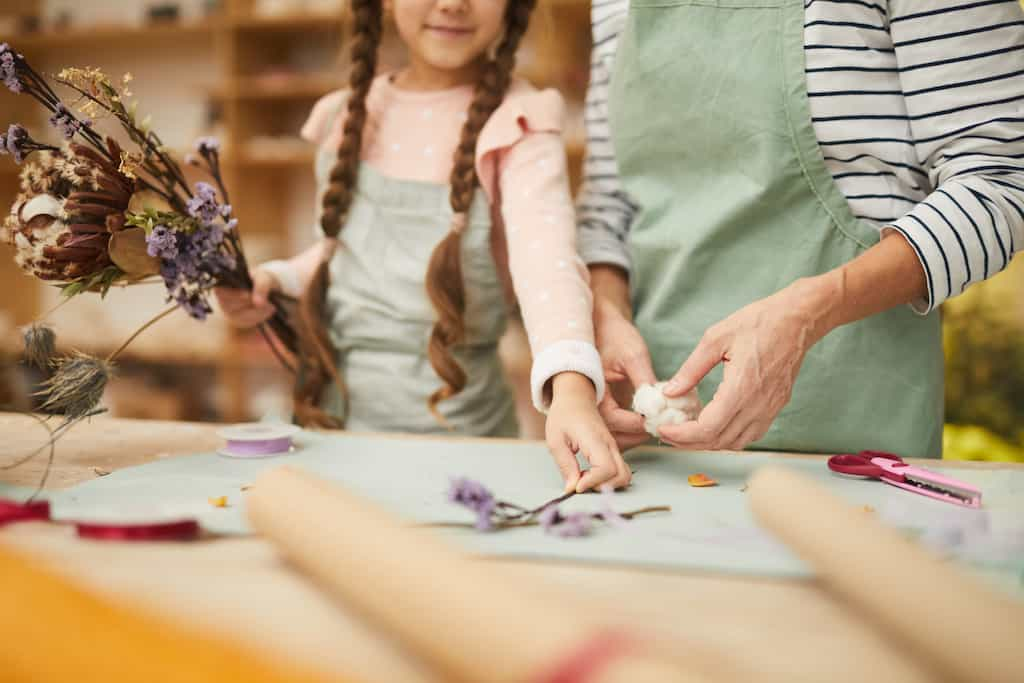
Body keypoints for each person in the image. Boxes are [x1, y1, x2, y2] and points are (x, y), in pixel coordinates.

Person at [578, 0, 1024, 458]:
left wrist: (809, 313)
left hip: (855, 435)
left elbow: (1000, 180)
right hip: (652, 443)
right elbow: (609, 207)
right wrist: (606, 316)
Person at [217, 0, 630, 492]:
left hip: (466, 445)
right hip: (333, 433)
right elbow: (342, 253)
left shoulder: (518, 123)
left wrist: (572, 389)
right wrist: (277, 280)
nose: (452, 3)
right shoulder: (345, 115)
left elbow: (548, 265)